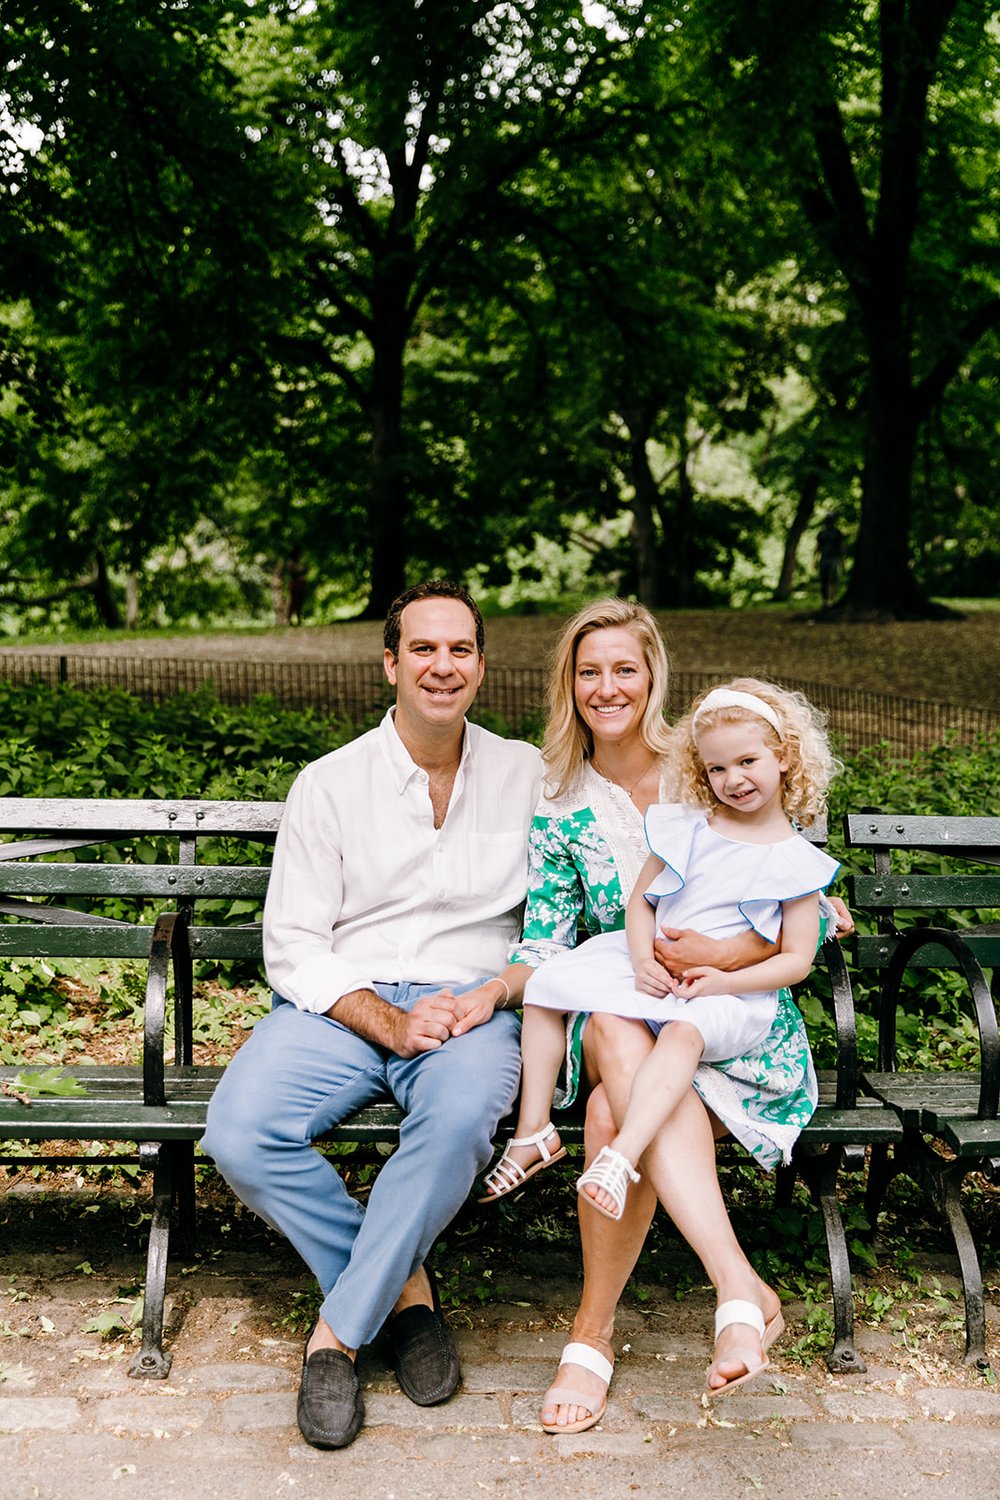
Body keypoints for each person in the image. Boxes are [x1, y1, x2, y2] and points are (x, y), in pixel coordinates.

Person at [477, 600, 851, 1432]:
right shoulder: (558, 800)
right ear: (568, 686)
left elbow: (794, 905)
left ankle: (594, 1336)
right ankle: (739, 1292)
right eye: (589, 671)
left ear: (653, 678)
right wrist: (488, 993)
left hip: (729, 1026)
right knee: (612, 1030)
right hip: (625, 1000)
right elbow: (545, 942)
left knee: (616, 1105)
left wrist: (728, 958)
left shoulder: (713, 762)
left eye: (625, 669)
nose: (607, 688)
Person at [201, 580, 543, 1451]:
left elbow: (633, 836)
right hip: (343, 1006)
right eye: (422, 649)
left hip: (469, 1007)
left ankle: (335, 1336)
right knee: (240, 1131)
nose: (442, 665)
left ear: (480, 667)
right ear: (390, 663)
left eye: (460, 649)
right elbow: (294, 945)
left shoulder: (529, 776)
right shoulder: (330, 783)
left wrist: (792, 879)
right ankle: (409, 1297)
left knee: (463, 1119)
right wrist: (385, 1023)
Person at [513, 679, 840, 1265]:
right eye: (717, 769)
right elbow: (643, 901)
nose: (733, 779)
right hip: (659, 975)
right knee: (548, 983)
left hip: (728, 1000)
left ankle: (622, 1155)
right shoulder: (687, 825)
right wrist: (641, 960)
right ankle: (532, 1127)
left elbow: (795, 960)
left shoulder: (796, 862)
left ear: (784, 756)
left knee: (664, 1055)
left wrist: (723, 978)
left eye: (747, 761)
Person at [815, 514, 845, 608]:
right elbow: (818, 547)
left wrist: (842, 560)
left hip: (834, 559)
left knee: (832, 579)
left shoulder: (837, 533)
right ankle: (825, 600)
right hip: (824, 558)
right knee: (824, 580)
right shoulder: (822, 533)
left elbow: (841, 547)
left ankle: (832, 599)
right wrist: (815, 560)